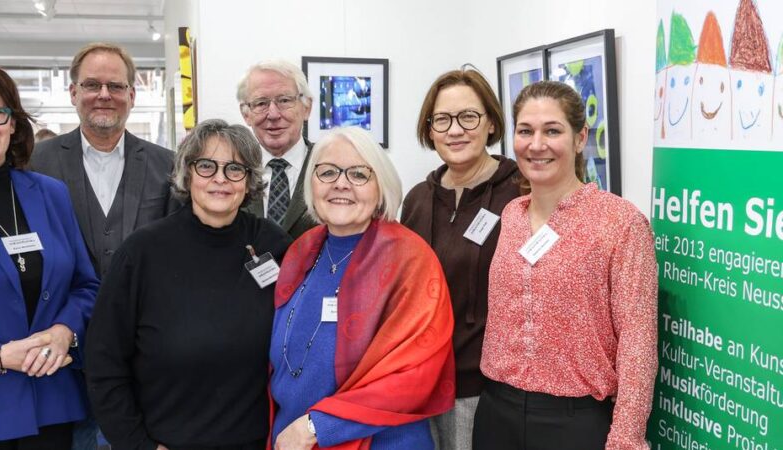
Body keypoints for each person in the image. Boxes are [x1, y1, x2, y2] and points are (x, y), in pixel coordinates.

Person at [473, 81, 658, 450]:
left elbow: (638, 342)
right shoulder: (511, 215)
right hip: (496, 413)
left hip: (573, 424)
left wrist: (626, 438)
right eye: (525, 131)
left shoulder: (620, 222)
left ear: (579, 138)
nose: (536, 144)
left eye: (552, 131)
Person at [85, 119, 291, 450]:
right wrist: (138, 445)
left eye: (234, 168)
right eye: (207, 166)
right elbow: (103, 363)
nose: (220, 179)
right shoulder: (142, 252)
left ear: (249, 179)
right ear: (188, 172)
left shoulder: (274, 244)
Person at [270, 127, 455, 450]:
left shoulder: (408, 258)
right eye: (327, 172)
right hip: (293, 439)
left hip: (380, 443)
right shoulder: (301, 251)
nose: (341, 183)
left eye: (358, 174)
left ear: (380, 186)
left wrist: (316, 426)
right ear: (311, 184)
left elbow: (414, 374)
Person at [400, 67, 520, 450]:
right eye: (443, 119)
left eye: (468, 116)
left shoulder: (520, 193)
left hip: (486, 389)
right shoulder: (417, 199)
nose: (455, 130)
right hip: (420, 383)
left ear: (490, 123)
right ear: (430, 129)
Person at [0, 62, 99, 447]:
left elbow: (86, 285)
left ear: (13, 122)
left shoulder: (50, 194)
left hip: (52, 398)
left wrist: (64, 331)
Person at [31, 42, 178, 281]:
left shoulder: (167, 165)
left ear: (131, 96)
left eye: (115, 86)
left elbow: (174, 249)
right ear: (73, 93)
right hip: (64, 315)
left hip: (142, 312)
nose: (104, 95)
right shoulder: (37, 163)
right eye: (91, 85)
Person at [236, 60, 319, 239]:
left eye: (284, 100)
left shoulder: (330, 166)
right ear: (246, 114)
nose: (273, 114)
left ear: (307, 108)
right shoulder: (231, 172)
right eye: (260, 103)